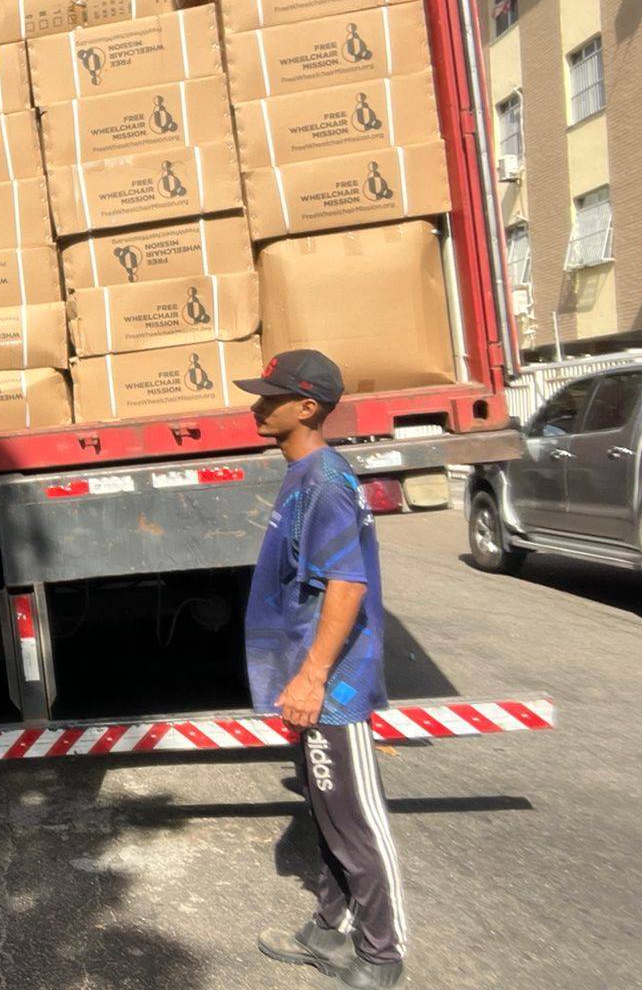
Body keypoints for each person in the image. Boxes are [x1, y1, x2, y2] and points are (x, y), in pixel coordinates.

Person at [235, 350, 407, 989]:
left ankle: (382, 954)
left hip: (333, 686)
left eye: (271, 397)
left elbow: (347, 584)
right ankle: (330, 929)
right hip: (310, 680)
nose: (257, 406)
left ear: (308, 407)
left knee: (356, 824)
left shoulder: (325, 481)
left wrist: (312, 677)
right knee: (327, 812)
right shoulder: (302, 471)